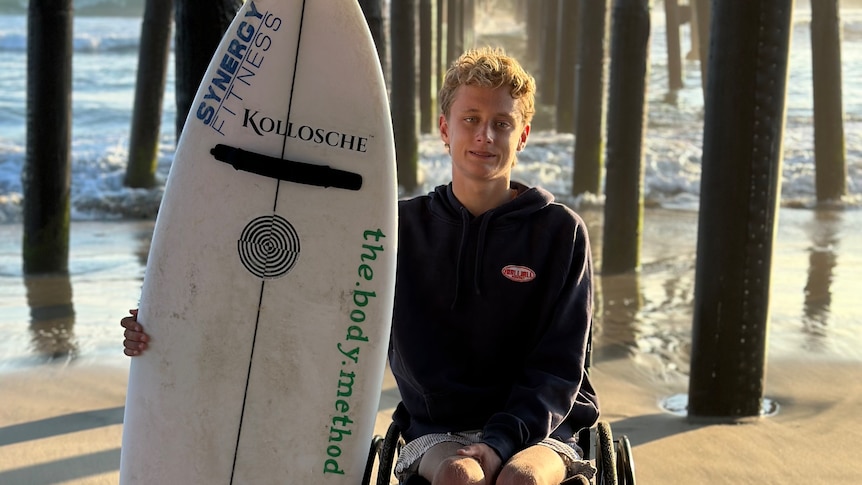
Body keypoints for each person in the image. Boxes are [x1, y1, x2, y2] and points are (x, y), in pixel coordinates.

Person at [122, 47, 598, 485]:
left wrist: (499, 443)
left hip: (542, 428)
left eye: (501, 123)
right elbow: (298, 307)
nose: (484, 135)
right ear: (445, 129)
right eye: (471, 118)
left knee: (522, 481)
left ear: (524, 135)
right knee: (459, 476)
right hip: (438, 429)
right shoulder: (396, 228)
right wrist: (170, 328)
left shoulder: (559, 232)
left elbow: (559, 367)